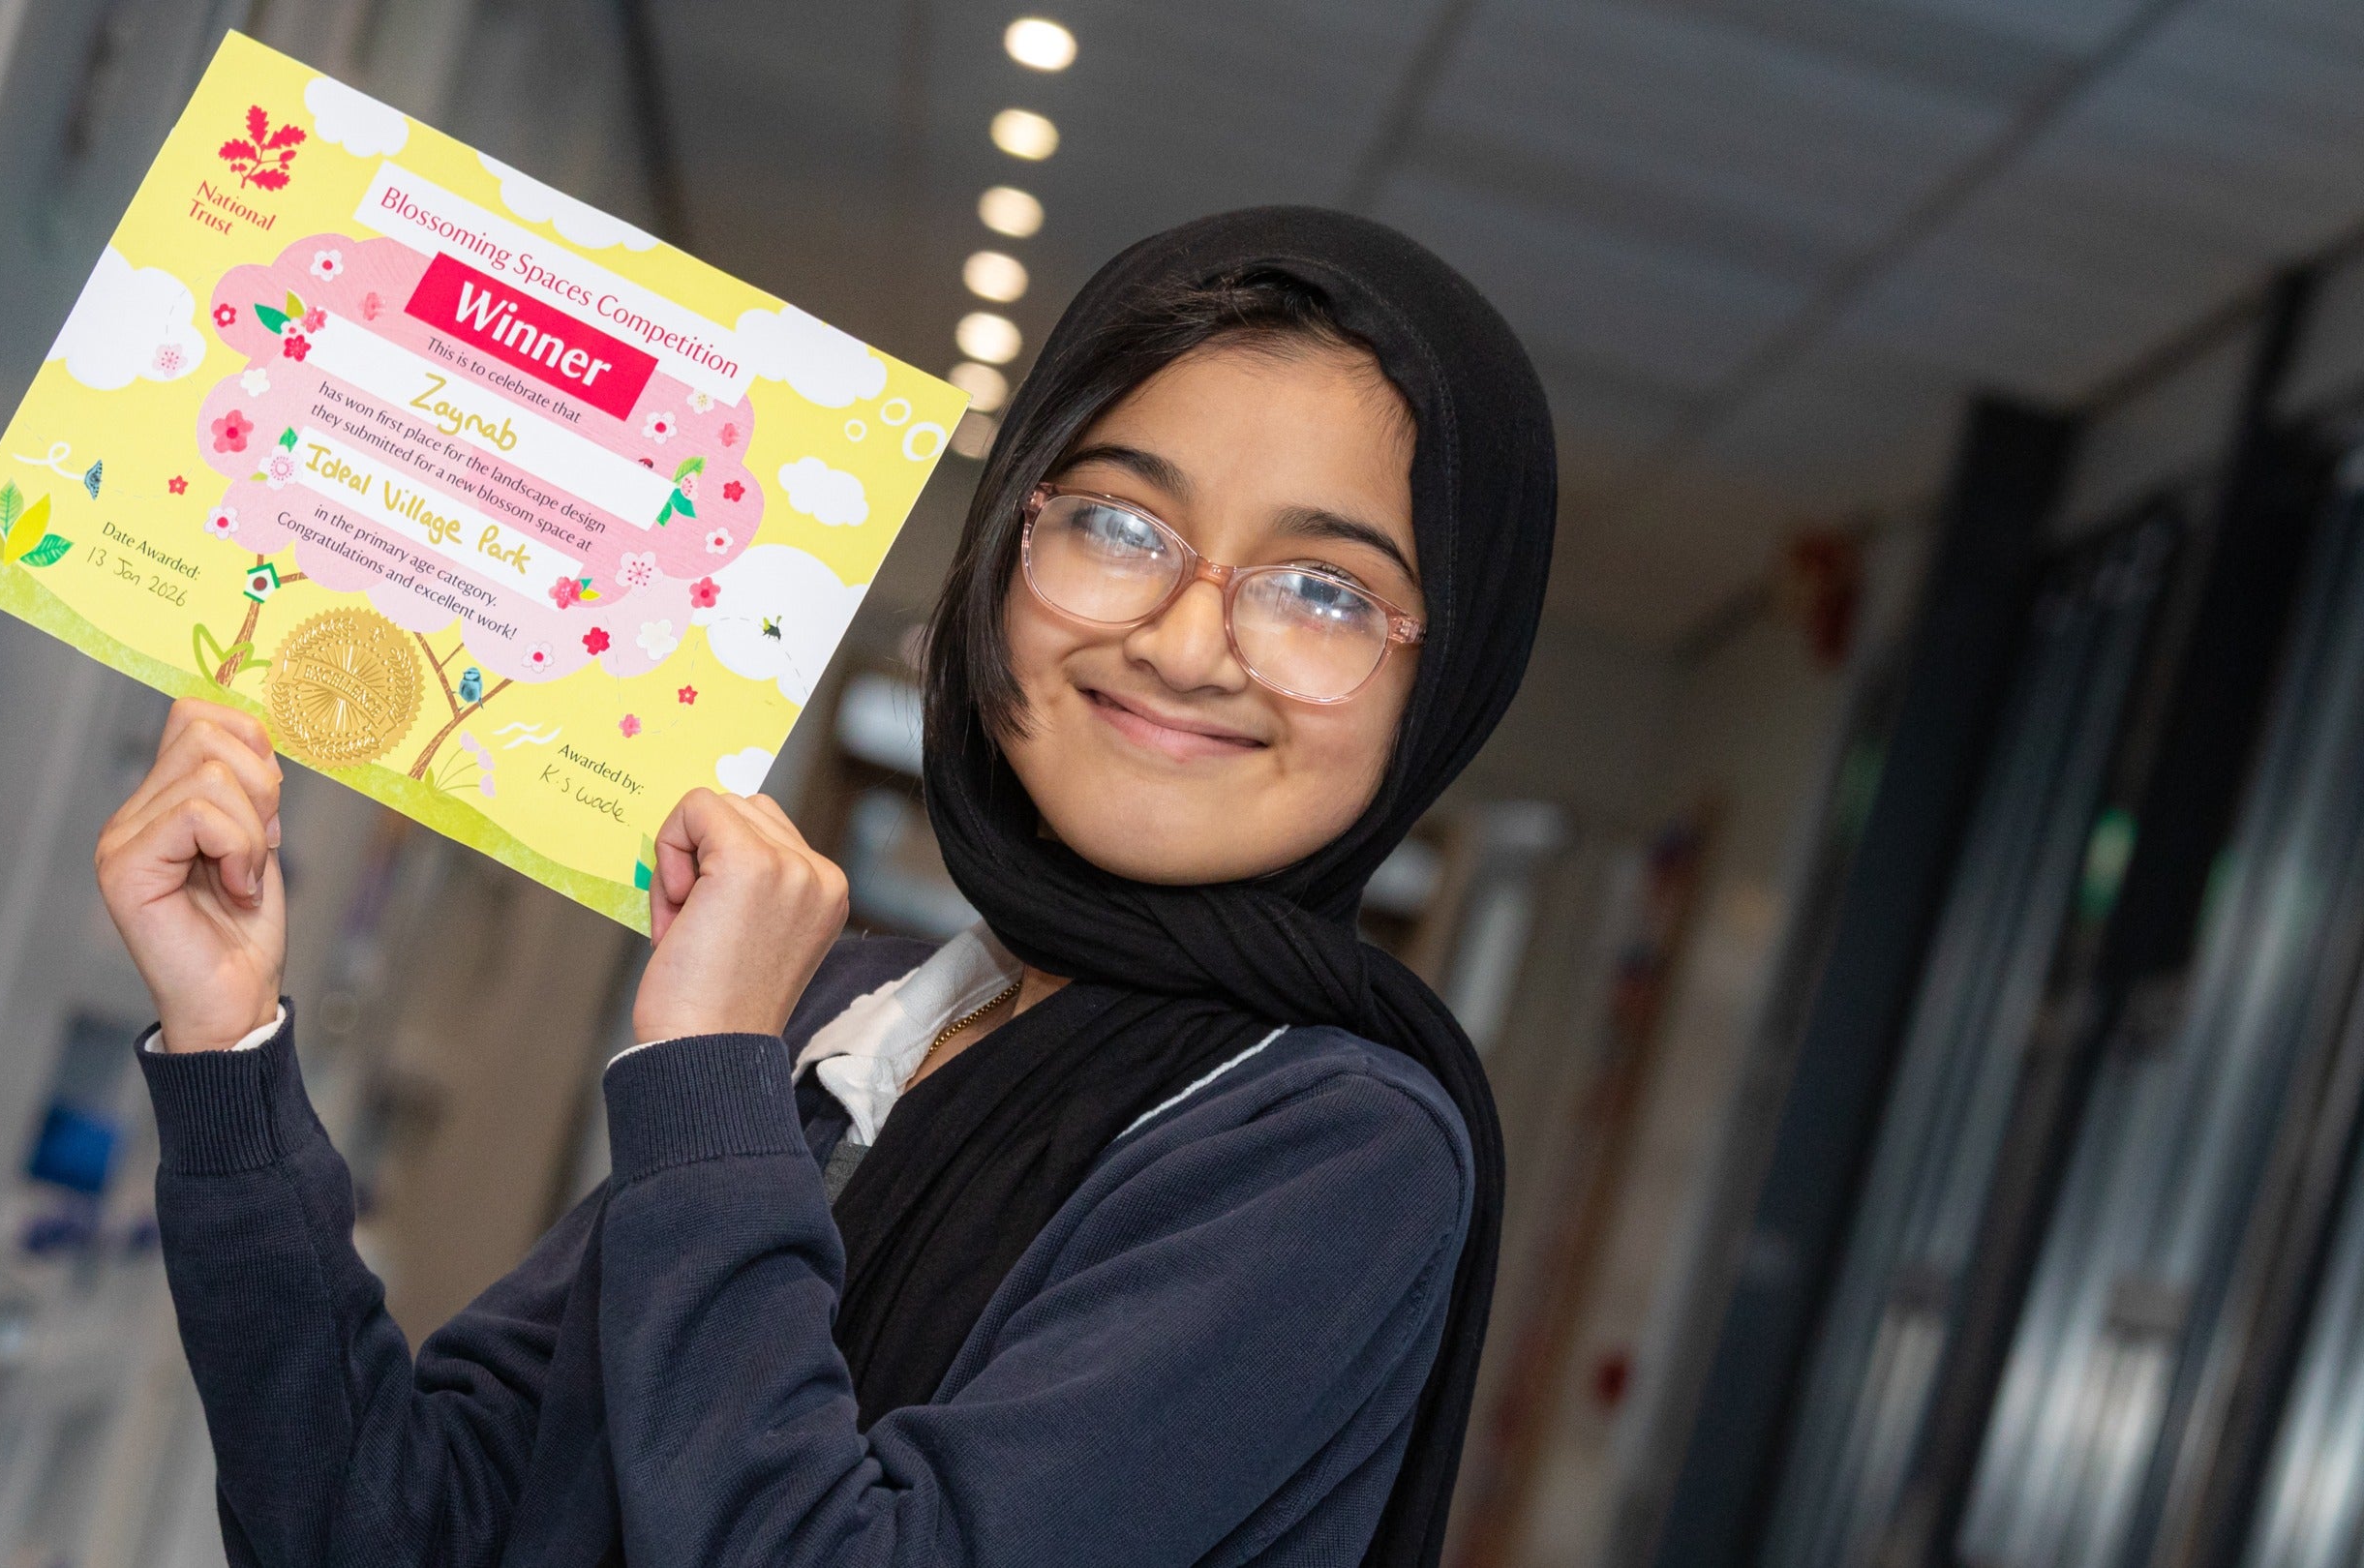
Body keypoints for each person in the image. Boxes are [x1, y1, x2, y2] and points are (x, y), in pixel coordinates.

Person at [94, 207, 1555, 1567]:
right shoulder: (864, 1015)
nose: (1185, 641)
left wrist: (714, 1077)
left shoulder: (1336, 1149)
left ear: (1453, 675)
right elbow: (392, 1530)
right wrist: (231, 1052)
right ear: (1008, 550)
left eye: (1324, 591)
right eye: (1119, 524)